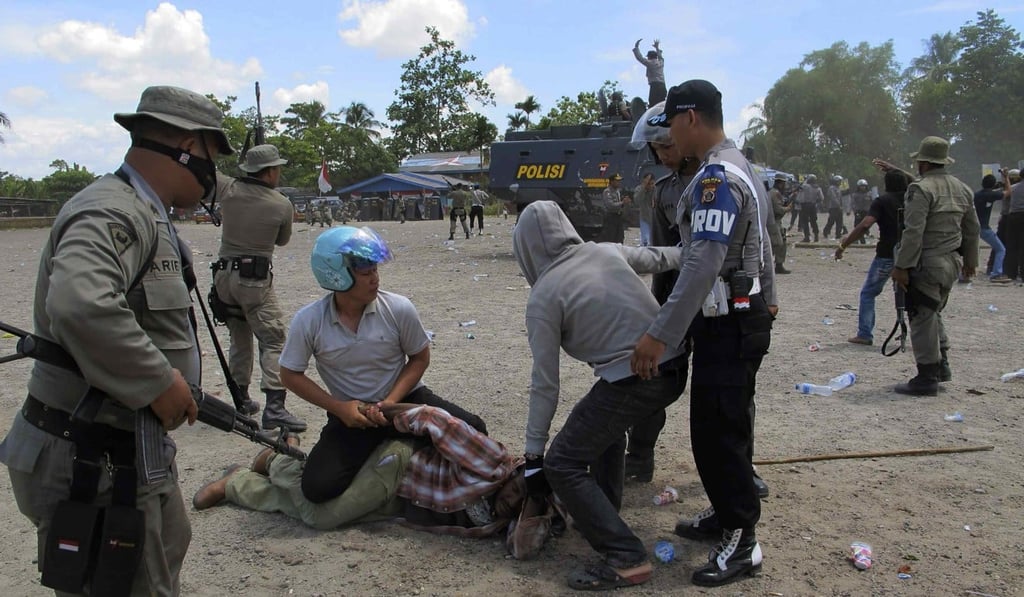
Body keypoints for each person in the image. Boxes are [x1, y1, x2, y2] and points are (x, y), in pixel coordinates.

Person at [0, 84, 233, 595]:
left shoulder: (145, 213)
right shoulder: (115, 211)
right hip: (93, 458)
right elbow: (81, 304)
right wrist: (156, 381)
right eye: (214, 155)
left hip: (124, 452)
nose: (215, 172)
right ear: (190, 149)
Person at [633, 80, 777, 587]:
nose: (669, 134)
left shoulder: (716, 176)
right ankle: (724, 514)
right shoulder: (737, 165)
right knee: (717, 426)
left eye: (672, 123)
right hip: (735, 316)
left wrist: (659, 334)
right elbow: (760, 242)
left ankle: (743, 543)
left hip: (730, 321)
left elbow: (701, 265)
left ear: (690, 118)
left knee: (719, 433)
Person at [512, 200, 687, 591]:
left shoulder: (543, 297)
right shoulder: (605, 250)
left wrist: (534, 455)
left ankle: (625, 557)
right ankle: (604, 510)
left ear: (525, 250)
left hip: (637, 378)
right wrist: (706, 249)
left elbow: (545, 384)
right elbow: (661, 257)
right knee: (600, 427)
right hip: (673, 366)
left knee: (564, 462)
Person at [279, 226, 487, 503]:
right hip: (352, 414)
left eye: (375, 271)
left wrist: (390, 402)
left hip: (403, 400)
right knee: (318, 488)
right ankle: (276, 459)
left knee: (474, 430)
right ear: (336, 276)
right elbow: (289, 374)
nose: (375, 279)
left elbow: (419, 357)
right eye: (366, 274)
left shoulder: (398, 308)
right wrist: (339, 408)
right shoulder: (309, 321)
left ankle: (394, 453)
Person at [193, 403, 521, 538]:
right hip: (401, 465)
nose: (514, 502)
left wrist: (534, 508)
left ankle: (254, 474)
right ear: (517, 473)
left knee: (329, 512)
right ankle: (267, 468)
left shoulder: (524, 515)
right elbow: (434, 419)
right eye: (518, 491)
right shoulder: (494, 463)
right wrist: (382, 414)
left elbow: (523, 548)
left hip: (408, 500)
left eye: (523, 504)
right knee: (322, 516)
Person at [211, 144, 306, 432]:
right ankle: (274, 408)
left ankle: (241, 402)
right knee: (274, 339)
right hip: (253, 279)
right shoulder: (281, 204)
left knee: (239, 337)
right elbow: (282, 240)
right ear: (270, 172)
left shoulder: (228, 189)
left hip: (223, 277)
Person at [889, 136, 979, 396]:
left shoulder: (921, 189)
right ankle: (942, 366)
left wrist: (901, 266)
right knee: (933, 311)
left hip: (926, 262)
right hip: (951, 262)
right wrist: (971, 262)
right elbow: (972, 230)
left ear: (924, 163)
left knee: (921, 316)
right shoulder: (963, 189)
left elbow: (913, 231)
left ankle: (927, 376)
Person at [836, 169, 910, 345]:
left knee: (868, 293)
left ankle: (865, 333)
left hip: (886, 254)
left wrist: (844, 245)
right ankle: (918, 334)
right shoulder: (913, 199)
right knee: (911, 294)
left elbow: (865, 225)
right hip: (910, 253)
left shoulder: (882, 201)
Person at [974, 174, 1010, 282]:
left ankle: (965, 273)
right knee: (1001, 249)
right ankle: (996, 274)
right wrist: (1006, 176)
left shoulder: (977, 194)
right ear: (993, 185)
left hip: (973, 226)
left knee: (971, 250)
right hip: (984, 228)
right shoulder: (991, 195)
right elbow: (1008, 192)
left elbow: (990, 193)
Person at [1000, 168, 1024, 282]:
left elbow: (1007, 193)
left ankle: (1010, 273)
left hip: (1013, 217)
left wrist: (1005, 178)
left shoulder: (1014, 188)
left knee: (1012, 245)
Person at [768, 173, 791, 274]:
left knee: (782, 243)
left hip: (776, 222)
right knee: (777, 244)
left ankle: (779, 264)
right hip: (773, 222)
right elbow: (779, 210)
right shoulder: (775, 193)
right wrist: (788, 208)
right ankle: (769, 264)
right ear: (780, 183)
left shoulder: (773, 192)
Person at [632, 38, 666, 106]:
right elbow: (660, 57)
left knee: (653, 104)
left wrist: (636, 47)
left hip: (655, 86)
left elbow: (640, 58)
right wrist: (657, 48)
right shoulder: (661, 62)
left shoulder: (649, 63)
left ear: (649, 57)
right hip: (662, 86)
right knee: (662, 104)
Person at [602, 173, 630, 243]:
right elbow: (610, 205)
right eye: (616, 181)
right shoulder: (607, 191)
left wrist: (624, 202)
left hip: (618, 217)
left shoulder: (617, 191)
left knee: (620, 237)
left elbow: (618, 204)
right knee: (611, 237)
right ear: (611, 182)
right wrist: (622, 202)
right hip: (611, 217)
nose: (618, 183)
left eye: (619, 181)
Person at [795, 174, 823, 242]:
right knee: (813, 221)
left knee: (805, 222)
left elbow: (799, 189)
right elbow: (821, 198)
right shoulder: (818, 188)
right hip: (813, 206)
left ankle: (807, 237)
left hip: (805, 206)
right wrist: (815, 202)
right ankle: (816, 236)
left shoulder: (805, 186)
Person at [633, 172, 656, 246]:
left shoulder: (656, 189)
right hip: (644, 218)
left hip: (655, 219)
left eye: (652, 183)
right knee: (645, 241)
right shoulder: (639, 189)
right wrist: (644, 188)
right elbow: (637, 200)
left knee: (654, 241)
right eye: (648, 183)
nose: (650, 186)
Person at [850, 179, 873, 244]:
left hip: (867, 212)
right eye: (861, 186)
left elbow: (873, 202)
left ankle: (861, 238)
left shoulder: (870, 194)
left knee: (865, 226)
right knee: (857, 226)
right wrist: (855, 211)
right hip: (858, 212)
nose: (863, 187)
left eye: (864, 186)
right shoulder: (855, 195)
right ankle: (857, 239)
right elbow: (853, 204)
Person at [822, 175, 844, 240]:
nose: (840, 183)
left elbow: (840, 198)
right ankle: (826, 231)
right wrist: (838, 205)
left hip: (839, 207)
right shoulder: (831, 188)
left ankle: (838, 234)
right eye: (839, 181)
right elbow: (833, 198)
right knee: (831, 221)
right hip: (833, 207)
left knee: (840, 222)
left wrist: (841, 206)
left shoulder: (839, 188)